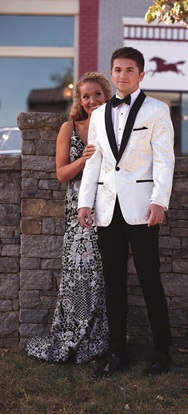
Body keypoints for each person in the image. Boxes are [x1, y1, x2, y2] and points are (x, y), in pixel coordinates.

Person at [78, 47, 175, 377]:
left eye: (129, 70)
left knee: (151, 281)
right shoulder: (99, 113)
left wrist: (160, 200)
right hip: (107, 209)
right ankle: (117, 354)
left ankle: (163, 353)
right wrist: (84, 202)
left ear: (141, 74)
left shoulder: (157, 110)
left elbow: (164, 159)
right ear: (112, 72)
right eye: (117, 69)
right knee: (114, 285)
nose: (122, 75)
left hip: (143, 208)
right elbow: (95, 160)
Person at [25, 72, 112, 364]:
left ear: (106, 94)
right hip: (78, 212)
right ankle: (74, 335)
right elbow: (61, 174)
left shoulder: (116, 124)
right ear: (79, 100)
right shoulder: (70, 127)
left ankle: (102, 340)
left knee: (105, 275)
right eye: (85, 96)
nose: (91, 101)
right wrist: (84, 159)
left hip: (111, 209)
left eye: (96, 94)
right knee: (79, 274)